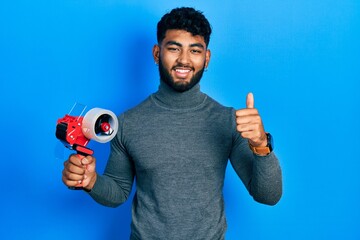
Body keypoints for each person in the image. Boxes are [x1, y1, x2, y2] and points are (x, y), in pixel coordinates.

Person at [62, 7, 282, 240]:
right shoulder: (127, 123)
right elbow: (117, 192)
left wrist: (261, 145)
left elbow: (268, 195)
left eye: (195, 50)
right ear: (157, 54)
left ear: (206, 58)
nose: (184, 60)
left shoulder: (228, 121)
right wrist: (91, 181)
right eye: (174, 48)